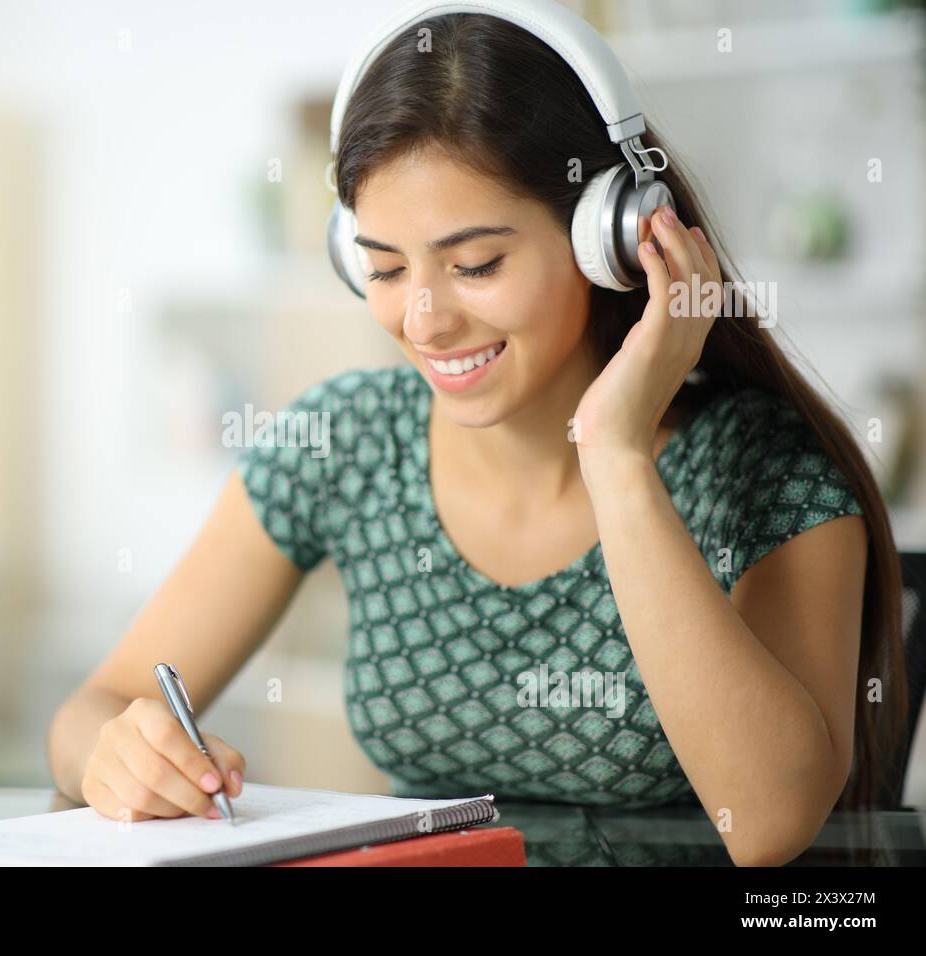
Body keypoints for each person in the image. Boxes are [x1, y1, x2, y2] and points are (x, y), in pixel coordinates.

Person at [47, 5, 907, 866]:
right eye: (385, 268)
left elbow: (767, 825)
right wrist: (116, 756)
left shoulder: (765, 466)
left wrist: (614, 454)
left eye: (476, 266)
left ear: (610, 238)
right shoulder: (346, 440)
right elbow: (95, 709)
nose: (425, 320)